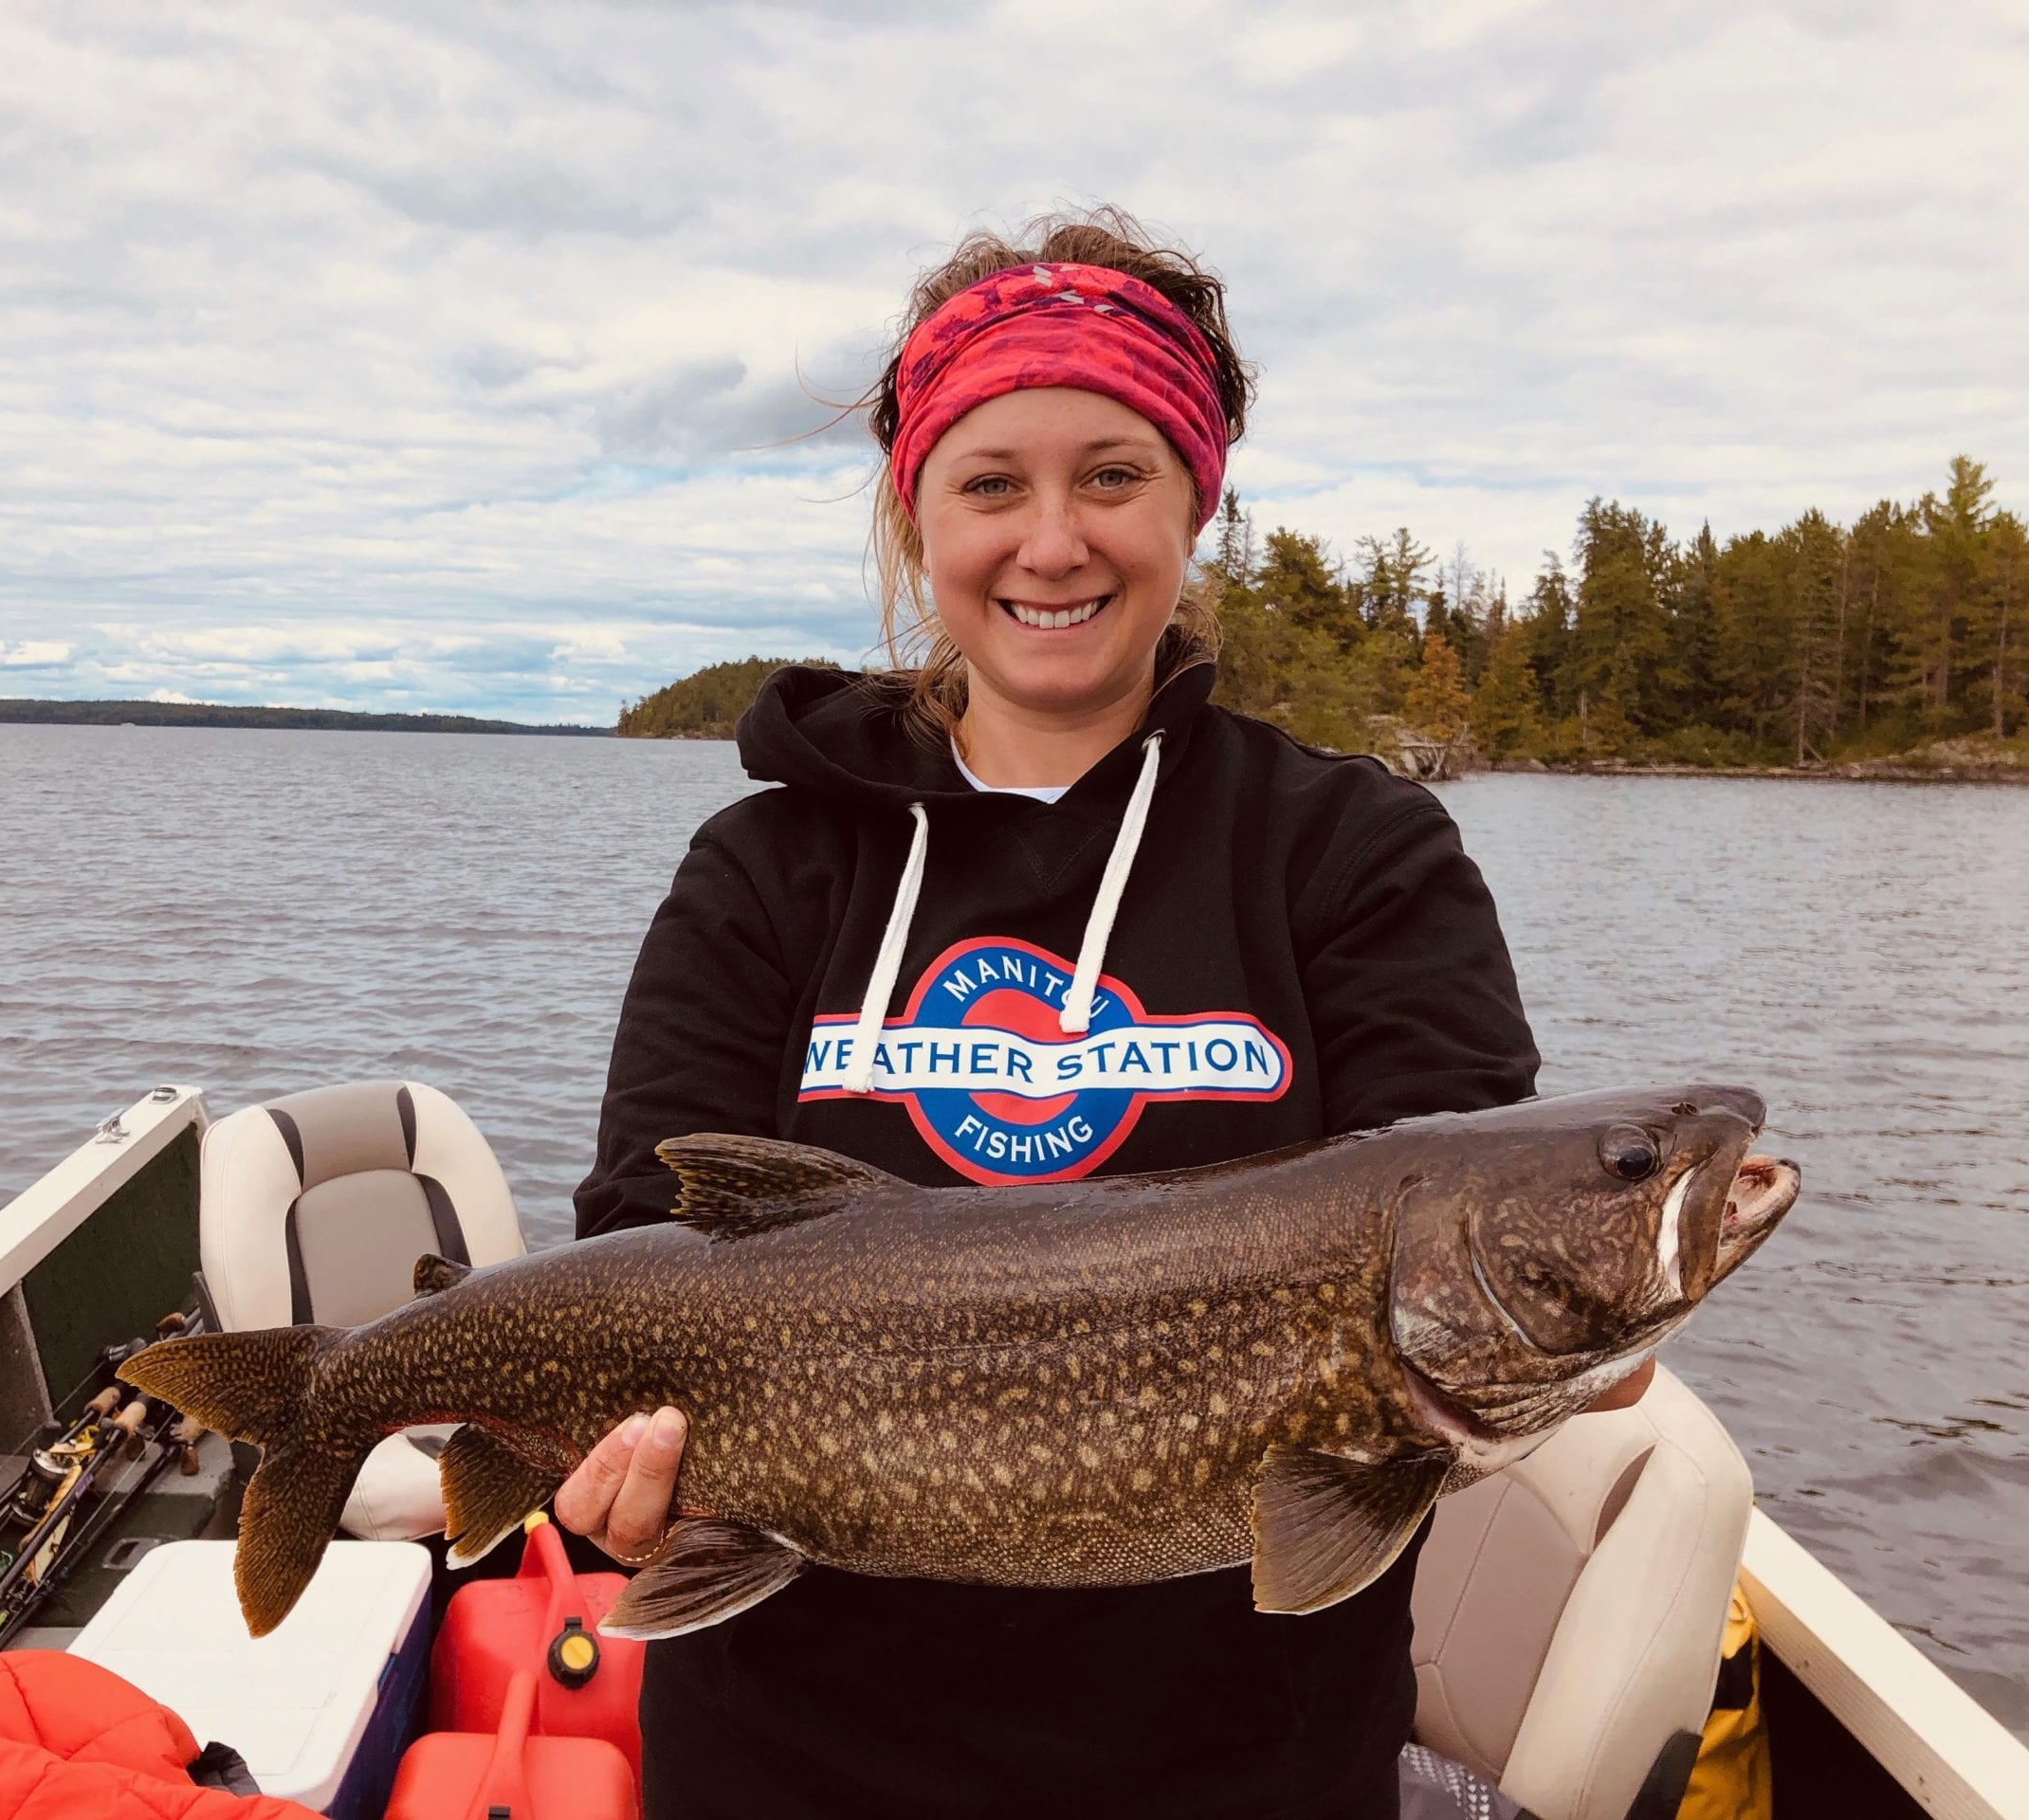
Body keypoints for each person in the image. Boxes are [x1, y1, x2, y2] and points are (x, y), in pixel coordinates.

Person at [560, 209, 1635, 1818]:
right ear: (917, 515)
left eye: (1113, 476)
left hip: (1243, 1770)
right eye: (992, 483)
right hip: (787, 1764)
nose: (1051, 543)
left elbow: (1471, 1190)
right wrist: (611, 1489)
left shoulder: (1352, 851)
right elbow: (643, 1233)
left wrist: (1575, 1328)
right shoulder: (770, 866)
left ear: (1194, 503)